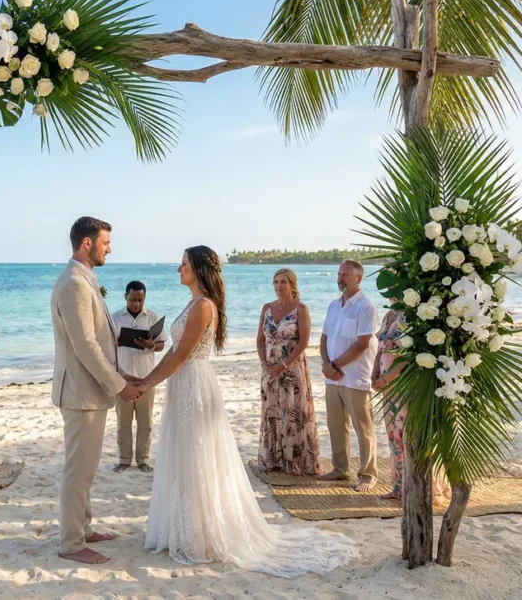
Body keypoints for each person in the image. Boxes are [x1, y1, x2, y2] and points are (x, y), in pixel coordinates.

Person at [134, 246, 357, 576]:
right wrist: (145, 379)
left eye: (183, 264)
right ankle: (183, 527)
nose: (178, 269)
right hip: (183, 384)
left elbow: (180, 356)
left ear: (197, 268)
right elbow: (174, 354)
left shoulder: (202, 307)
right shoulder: (194, 302)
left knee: (196, 455)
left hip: (194, 385)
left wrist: (145, 383)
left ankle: (200, 532)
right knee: (183, 452)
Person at [51, 217, 141, 566]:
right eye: (105, 242)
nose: (109, 248)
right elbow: (85, 346)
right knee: (78, 469)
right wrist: (119, 386)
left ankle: (83, 528)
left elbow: (99, 342)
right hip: (80, 392)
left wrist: (119, 373)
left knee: (84, 468)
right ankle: (71, 543)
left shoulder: (83, 280)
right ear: (86, 243)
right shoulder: (73, 284)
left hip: (87, 390)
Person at [372, 303, 449, 504]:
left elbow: (408, 358)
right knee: (393, 435)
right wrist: (375, 374)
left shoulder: (411, 316)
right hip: (388, 387)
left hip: (404, 385)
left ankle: (419, 488)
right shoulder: (389, 314)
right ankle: (399, 486)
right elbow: (380, 349)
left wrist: (385, 379)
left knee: (408, 434)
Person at [319, 259, 379, 492]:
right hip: (332, 377)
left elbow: (363, 343)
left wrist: (334, 364)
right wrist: (326, 364)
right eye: (339, 274)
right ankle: (340, 468)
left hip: (355, 376)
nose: (340, 278)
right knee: (336, 425)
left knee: (363, 428)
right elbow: (324, 337)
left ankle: (368, 474)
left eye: (345, 274)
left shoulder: (366, 306)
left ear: (358, 278)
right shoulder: (334, 305)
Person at [256, 268, 319, 475]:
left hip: (291, 368)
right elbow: (260, 339)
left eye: (283, 282)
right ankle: (273, 459)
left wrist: (284, 364)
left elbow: (303, 343)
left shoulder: (301, 308)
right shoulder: (266, 308)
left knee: (292, 413)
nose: (278, 286)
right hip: (269, 369)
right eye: (275, 281)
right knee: (272, 412)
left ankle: (294, 462)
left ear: (292, 284)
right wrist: (264, 362)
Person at [112, 280, 167, 473]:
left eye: (140, 300)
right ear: (125, 296)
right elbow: (105, 345)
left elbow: (161, 345)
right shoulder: (115, 318)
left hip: (146, 377)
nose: (136, 303)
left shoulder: (152, 316)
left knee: (146, 423)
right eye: (133, 299)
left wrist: (150, 345)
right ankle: (124, 460)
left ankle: (143, 460)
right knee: (123, 423)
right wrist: (116, 343)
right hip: (122, 378)